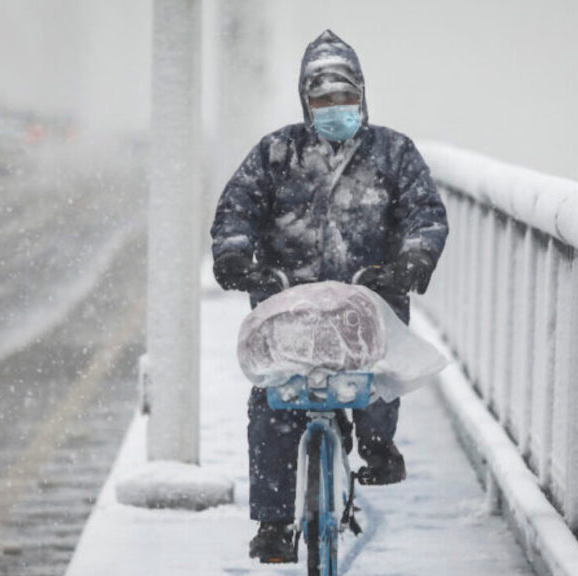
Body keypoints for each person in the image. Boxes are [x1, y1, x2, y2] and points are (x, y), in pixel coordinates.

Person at [210, 29, 448, 564]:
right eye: (322, 99)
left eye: (344, 97)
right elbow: (237, 211)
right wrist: (235, 257)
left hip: (368, 297)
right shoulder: (275, 154)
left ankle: (378, 446)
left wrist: (412, 260)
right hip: (287, 304)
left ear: (362, 96)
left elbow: (424, 213)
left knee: (376, 380)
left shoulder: (394, 153)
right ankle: (273, 522)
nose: (334, 108)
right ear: (305, 101)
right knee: (272, 405)